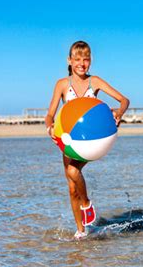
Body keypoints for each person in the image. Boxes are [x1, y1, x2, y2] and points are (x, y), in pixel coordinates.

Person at [45, 41, 130, 240]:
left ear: (90, 61)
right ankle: (81, 231)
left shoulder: (96, 82)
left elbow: (124, 100)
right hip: (68, 138)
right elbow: (50, 114)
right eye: (77, 59)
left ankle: (86, 204)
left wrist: (119, 112)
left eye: (86, 59)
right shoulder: (62, 84)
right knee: (71, 186)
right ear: (69, 60)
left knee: (73, 171)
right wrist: (49, 127)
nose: (82, 64)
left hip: (92, 140)